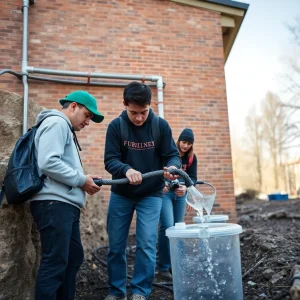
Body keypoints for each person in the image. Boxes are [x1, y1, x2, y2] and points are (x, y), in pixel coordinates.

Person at [104, 81, 181, 300]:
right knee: (115, 245)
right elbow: (110, 160)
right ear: (124, 104)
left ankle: (140, 291)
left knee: (146, 243)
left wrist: (173, 167)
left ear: (150, 106)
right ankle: (117, 291)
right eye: (134, 113)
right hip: (122, 194)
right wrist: (126, 170)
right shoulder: (116, 127)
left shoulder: (160, 126)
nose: (139, 118)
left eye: (143, 112)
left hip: (151, 194)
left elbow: (172, 155)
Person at [30, 90, 104, 300]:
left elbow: (58, 164)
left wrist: (84, 178)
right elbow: (48, 162)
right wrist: (82, 180)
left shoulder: (63, 128)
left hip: (62, 204)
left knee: (72, 258)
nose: (88, 122)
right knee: (55, 263)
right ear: (73, 107)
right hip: (54, 204)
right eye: (87, 115)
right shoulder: (58, 123)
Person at [157, 128, 197, 279]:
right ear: (178, 140)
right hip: (166, 194)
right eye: (184, 142)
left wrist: (186, 189)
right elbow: (158, 172)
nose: (185, 145)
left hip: (180, 195)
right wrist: (162, 184)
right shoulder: (168, 154)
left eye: (189, 143)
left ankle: (176, 265)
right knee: (167, 226)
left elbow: (192, 179)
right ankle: (163, 267)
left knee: (178, 228)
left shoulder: (192, 159)